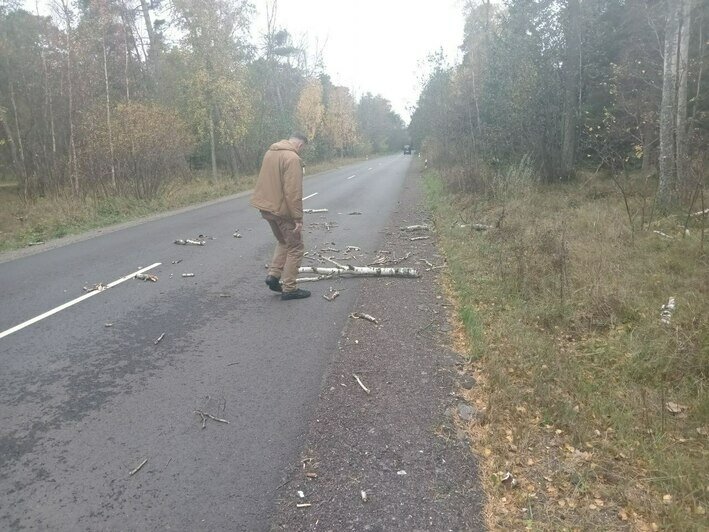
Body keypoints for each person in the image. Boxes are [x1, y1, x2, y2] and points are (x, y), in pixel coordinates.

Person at [250, 133, 310, 300]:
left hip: (266, 207)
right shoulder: (292, 158)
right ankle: (290, 288)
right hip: (282, 211)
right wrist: (298, 219)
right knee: (296, 247)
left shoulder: (271, 152)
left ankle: (274, 275)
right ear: (300, 145)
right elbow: (293, 192)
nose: (301, 151)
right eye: (303, 148)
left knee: (283, 241)